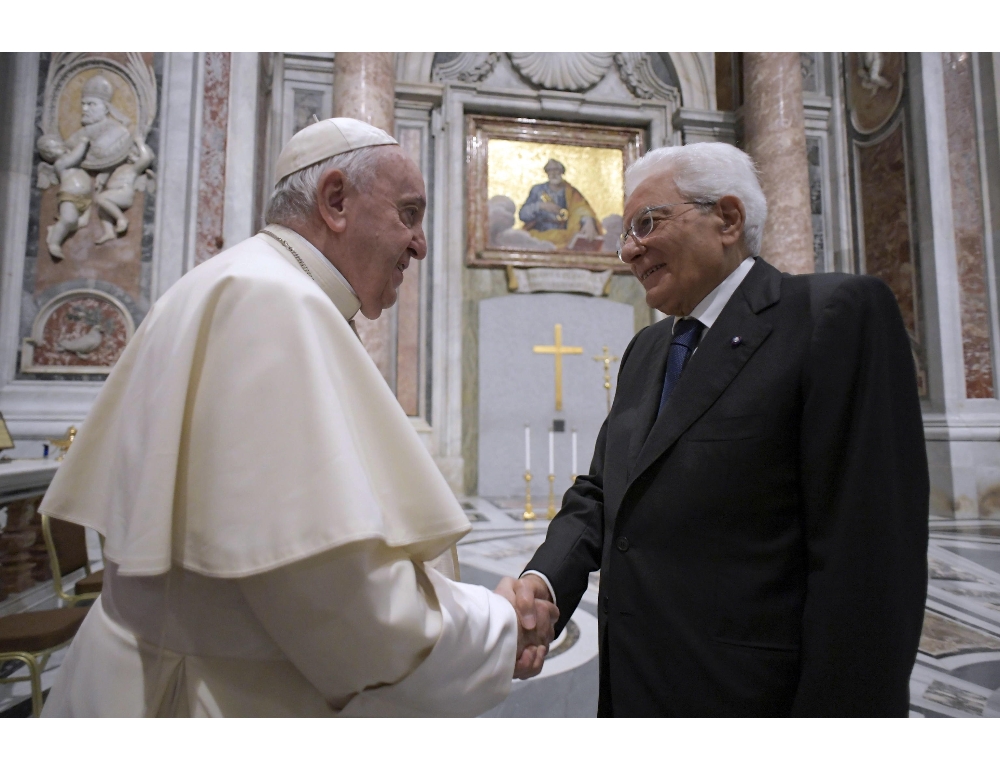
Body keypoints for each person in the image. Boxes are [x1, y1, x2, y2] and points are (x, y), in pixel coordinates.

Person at [40, 117, 558, 717]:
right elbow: (342, 605)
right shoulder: (273, 303)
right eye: (409, 214)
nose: (419, 244)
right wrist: (498, 626)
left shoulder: (236, 280)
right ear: (335, 200)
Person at [503, 142, 929, 716]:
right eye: (625, 234)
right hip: (634, 693)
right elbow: (602, 494)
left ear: (727, 218)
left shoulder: (831, 317)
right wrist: (544, 583)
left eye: (646, 224)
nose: (629, 251)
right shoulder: (648, 348)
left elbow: (869, 565)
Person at [519, 159, 601, 249]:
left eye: (556, 170)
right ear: (547, 173)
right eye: (550, 170)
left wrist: (588, 221)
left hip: (564, 236)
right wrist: (540, 206)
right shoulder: (537, 190)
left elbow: (580, 208)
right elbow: (523, 214)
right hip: (540, 235)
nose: (553, 173)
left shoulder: (570, 191)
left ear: (562, 172)